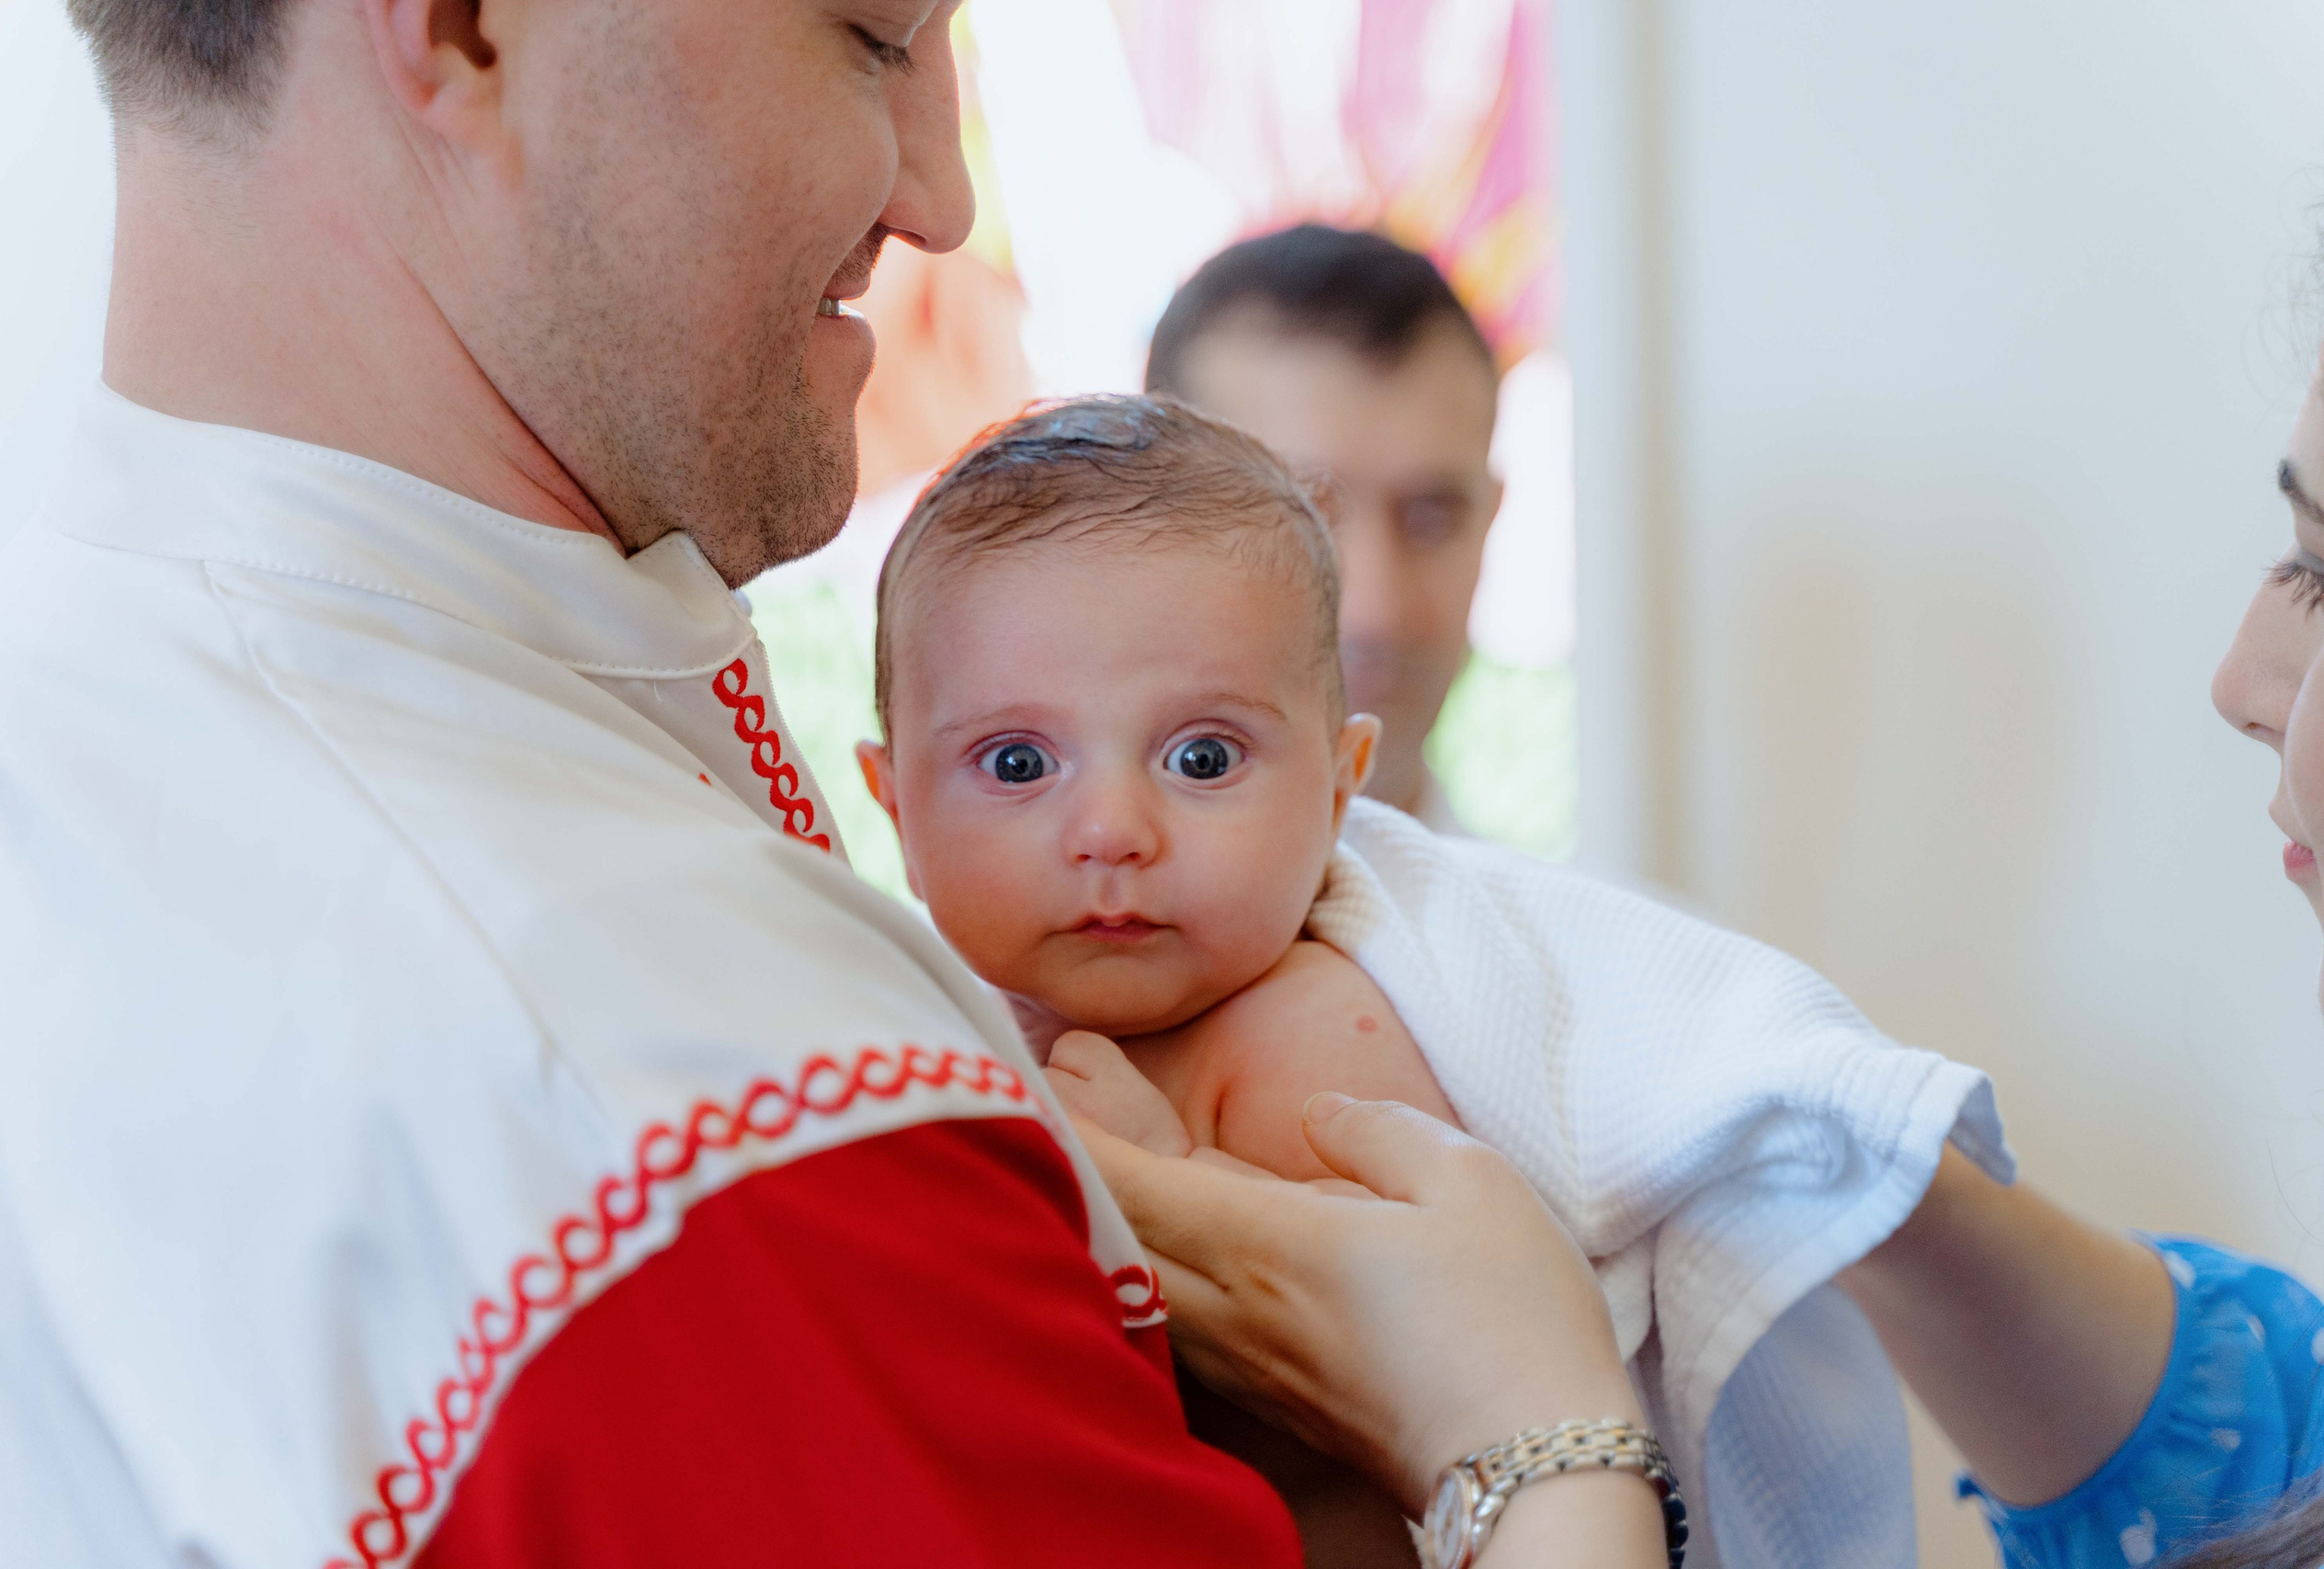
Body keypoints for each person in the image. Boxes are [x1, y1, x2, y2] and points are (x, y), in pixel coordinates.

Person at [0, 2, 1671, 1566]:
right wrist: (1532, 1426)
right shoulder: (717, 1140)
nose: (945, 199)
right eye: (873, 35)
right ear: (467, 22)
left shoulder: (90, 700)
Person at [1093, 202, 2324, 1569]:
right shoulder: (974, 1035)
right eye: (1306, 509)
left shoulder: (1660, 1023)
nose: (1383, 603)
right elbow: (2273, 1450)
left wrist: (1537, 1412)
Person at [854, 392, 2010, 1569]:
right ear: (893, 803)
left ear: (1341, 784)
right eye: (1015, 762)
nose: (1110, 829)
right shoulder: (881, 1022)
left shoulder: (1318, 1039)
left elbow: (1393, 1373)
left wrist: (1181, 1181)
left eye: (1202, 757)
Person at [1146, 225, 1503, 832]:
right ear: (1150, 520)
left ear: (1491, 516)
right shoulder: (978, 923)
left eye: (1433, 517)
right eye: (1302, 517)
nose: (1377, 613)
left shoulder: (1629, 928)